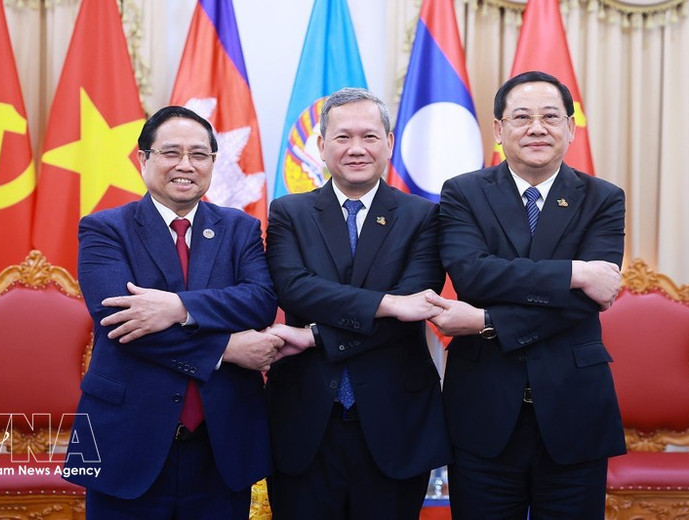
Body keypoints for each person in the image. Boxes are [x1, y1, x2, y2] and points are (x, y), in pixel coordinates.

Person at [425, 70, 627, 519]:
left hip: (575, 409)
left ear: (571, 128)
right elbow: (474, 278)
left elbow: (588, 302)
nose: (537, 128)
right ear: (499, 130)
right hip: (483, 410)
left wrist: (486, 321)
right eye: (522, 117)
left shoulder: (603, 199)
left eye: (551, 116)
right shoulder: (463, 193)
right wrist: (575, 271)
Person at [63, 106, 282, 519]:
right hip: (127, 442)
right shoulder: (104, 229)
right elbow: (124, 325)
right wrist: (226, 350)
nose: (186, 165)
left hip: (221, 449)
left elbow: (259, 300)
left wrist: (178, 308)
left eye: (199, 154)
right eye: (171, 153)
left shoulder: (241, 228)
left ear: (214, 163)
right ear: (143, 158)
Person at [264, 87, 452, 520]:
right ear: (321, 146)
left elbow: (415, 307)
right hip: (304, 422)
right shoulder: (288, 212)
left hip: (396, 421)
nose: (356, 149)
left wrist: (314, 336)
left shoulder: (423, 216)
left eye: (369, 136)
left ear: (389, 142)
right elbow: (294, 290)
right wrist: (387, 303)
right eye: (343, 137)